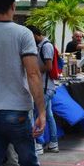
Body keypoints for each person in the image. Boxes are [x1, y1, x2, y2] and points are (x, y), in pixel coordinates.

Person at [0, 0, 46, 166]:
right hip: (17, 113)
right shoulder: (23, 33)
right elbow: (33, 74)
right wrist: (41, 111)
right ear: (13, 7)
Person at [27, 25, 59, 154]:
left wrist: (32, 71)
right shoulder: (42, 45)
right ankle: (53, 142)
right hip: (46, 86)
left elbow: (49, 66)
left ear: (35, 34)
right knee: (48, 115)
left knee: (37, 115)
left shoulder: (46, 46)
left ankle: (39, 144)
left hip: (45, 88)